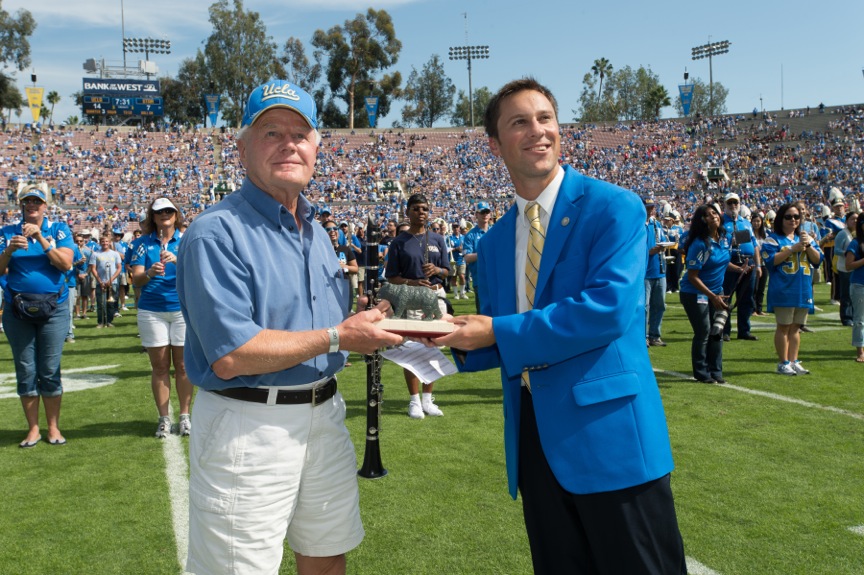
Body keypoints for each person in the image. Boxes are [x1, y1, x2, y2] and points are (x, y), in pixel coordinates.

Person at [434, 78, 685, 574]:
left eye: (545, 118)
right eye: (519, 122)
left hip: (610, 437)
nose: (537, 131)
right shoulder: (494, 242)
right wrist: (432, 335)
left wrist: (495, 333)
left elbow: (606, 310)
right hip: (534, 441)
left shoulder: (614, 207)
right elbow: (497, 337)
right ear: (494, 143)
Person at [176, 80, 402, 575]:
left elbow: (321, 328)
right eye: (271, 132)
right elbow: (233, 353)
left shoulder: (317, 229)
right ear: (242, 148)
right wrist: (342, 336)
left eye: (300, 134)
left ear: (317, 147)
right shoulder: (216, 232)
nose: (288, 144)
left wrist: (366, 321)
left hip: (324, 414)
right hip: (249, 425)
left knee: (326, 556)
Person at [0, 183, 75, 447]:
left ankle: (53, 428)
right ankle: (33, 428)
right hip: (16, 309)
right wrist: (9, 250)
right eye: (27, 202)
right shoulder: (6, 232)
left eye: (37, 201)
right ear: (20, 205)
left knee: (50, 369)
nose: (31, 205)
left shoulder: (58, 229)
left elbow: (66, 264)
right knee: (25, 368)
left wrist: (41, 239)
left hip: (54, 309)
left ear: (45, 206)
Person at [130, 197, 193, 438]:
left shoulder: (187, 240)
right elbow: (136, 279)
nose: (164, 215)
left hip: (181, 308)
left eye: (169, 211)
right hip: (152, 309)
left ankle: (185, 416)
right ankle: (164, 418)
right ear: (153, 217)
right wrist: (149, 272)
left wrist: (180, 261)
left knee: (184, 367)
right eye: (160, 212)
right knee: (159, 367)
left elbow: (199, 273)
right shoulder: (142, 244)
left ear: (176, 215)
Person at [385, 193, 451, 419]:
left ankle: (427, 399)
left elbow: (447, 270)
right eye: (415, 209)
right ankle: (414, 401)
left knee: (432, 349)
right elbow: (391, 276)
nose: (420, 212)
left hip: (435, 297)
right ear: (407, 212)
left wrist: (437, 271)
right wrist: (412, 282)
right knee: (413, 351)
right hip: (411, 298)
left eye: (424, 208)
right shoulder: (399, 242)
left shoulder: (438, 239)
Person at [761, 202, 823, 376]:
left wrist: (808, 245)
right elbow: (771, 261)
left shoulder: (805, 238)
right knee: (784, 326)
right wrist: (791, 249)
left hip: (803, 288)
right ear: (781, 219)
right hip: (783, 288)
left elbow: (818, 260)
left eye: (796, 217)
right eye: (788, 216)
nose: (793, 220)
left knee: (796, 327)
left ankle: (794, 360)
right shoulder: (772, 239)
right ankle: (783, 362)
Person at [678, 204, 733, 383]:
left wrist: (739, 269)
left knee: (717, 331)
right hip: (695, 293)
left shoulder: (725, 237)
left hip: (717, 292)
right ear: (702, 221)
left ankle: (716, 371)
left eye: (714, 213)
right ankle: (701, 372)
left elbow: (721, 261)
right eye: (708, 215)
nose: (713, 216)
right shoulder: (700, 244)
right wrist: (712, 296)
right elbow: (693, 276)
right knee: (703, 331)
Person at [721, 192, 761, 341]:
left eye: (735, 203)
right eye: (730, 203)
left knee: (746, 297)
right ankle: (725, 330)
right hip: (730, 262)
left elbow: (754, 245)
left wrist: (758, 265)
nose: (733, 206)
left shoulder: (745, 222)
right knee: (726, 297)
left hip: (748, 263)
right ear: (725, 205)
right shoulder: (721, 222)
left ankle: (744, 330)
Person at [645, 198, 668, 346]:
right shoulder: (638, 226)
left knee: (659, 305)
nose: (651, 210)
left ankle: (654, 335)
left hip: (659, 270)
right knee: (644, 307)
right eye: (648, 207)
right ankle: (643, 336)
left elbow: (663, 240)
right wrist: (650, 252)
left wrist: (663, 246)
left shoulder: (656, 225)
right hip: (645, 272)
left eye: (652, 207)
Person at [463, 201, 492, 312]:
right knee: (483, 313)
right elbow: (467, 257)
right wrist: (486, 254)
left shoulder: (495, 231)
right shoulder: (470, 235)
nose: (485, 214)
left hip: (496, 277)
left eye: (487, 212)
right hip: (480, 280)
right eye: (482, 212)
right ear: (476, 215)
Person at [89, 233, 122, 328]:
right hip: (101, 282)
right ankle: (100, 322)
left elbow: (119, 268)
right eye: (103, 241)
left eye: (107, 241)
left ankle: (109, 321)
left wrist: (111, 280)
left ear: (110, 242)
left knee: (111, 303)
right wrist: (100, 281)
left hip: (113, 282)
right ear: (100, 242)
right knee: (100, 303)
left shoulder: (115, 254)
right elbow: (93, 268)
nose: (105, 243)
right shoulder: (95, 254)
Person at [844, 214, 864, 362]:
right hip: (859, 285)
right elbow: (848, 265)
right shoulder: (855, 243)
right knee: (859, 320)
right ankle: (860, 351)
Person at [834, 212, 857, 327]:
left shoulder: (859, 234)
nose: (855, 221)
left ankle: (854, 315)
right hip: (845, 268)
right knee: (846, 294)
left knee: (856, 293)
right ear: (847, 221)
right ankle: (846, 318)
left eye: (857, 219)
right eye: (852, 219)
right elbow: (836, 250)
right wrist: (850, 253)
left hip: (857, 267)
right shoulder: (843, 234)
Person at [751, 212, 769, 316]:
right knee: (754, 287)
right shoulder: (749, 233)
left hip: (763, 263)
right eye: (754, 221)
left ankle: (759, 308)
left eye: (758, 221)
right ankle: (753, 309)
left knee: (761, 288)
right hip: (754, 264)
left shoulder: (765, 234)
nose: (756, 223)